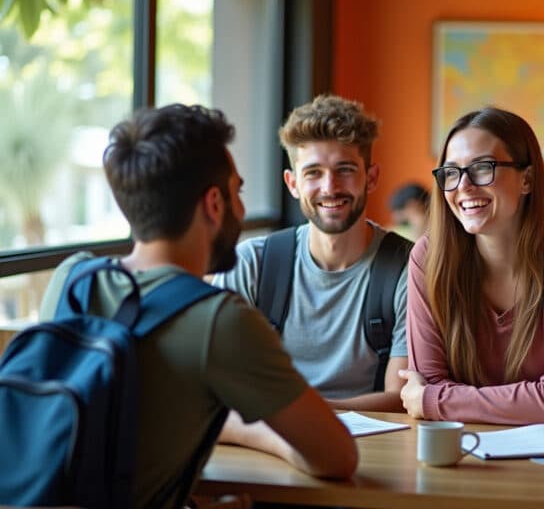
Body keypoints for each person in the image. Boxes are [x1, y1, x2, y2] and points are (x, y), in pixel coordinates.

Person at [38, 104, 357, 508]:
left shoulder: (73, 278)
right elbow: (337, 457)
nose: (242, 209)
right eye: (237, 192)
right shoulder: (219, 320)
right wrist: (247, 429)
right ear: (213, 204)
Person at [398, 107, 544, 425]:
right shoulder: (428, 259)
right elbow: (426, 380)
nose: (463, 187)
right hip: (460, 453)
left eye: (482, 168)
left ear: (527, 179)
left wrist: (433, 400)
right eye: (451, 172)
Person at [212, 94, 409, 412]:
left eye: (344, 169)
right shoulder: (251, 265)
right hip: (263, 447)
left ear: (370, 178)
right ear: (292, 183)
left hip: (377, 450)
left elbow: (402, 397)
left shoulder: (407, 268)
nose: (330, 187)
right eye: (313, 173)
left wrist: (302, 415)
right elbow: (219, 384)